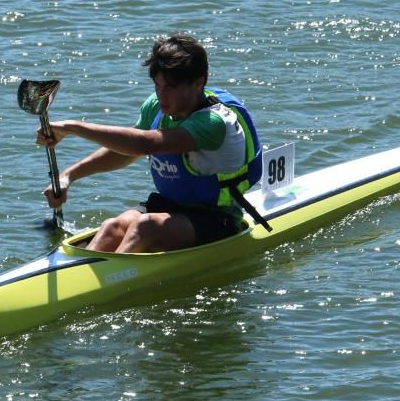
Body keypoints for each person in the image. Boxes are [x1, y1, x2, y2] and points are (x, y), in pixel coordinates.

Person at [36, 34, 265, 253]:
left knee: (145, 228)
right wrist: (67, 176)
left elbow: (145, 145)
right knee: (111, 227)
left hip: (217, 217)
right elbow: (125, 152)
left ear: (199, 82)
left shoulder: (213, 122)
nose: (161, 96)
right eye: (157, 86)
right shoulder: (156, 106)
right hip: (169, 205)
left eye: (171, 87)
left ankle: (107, 285)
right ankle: (79, 277)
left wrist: (72, 127)